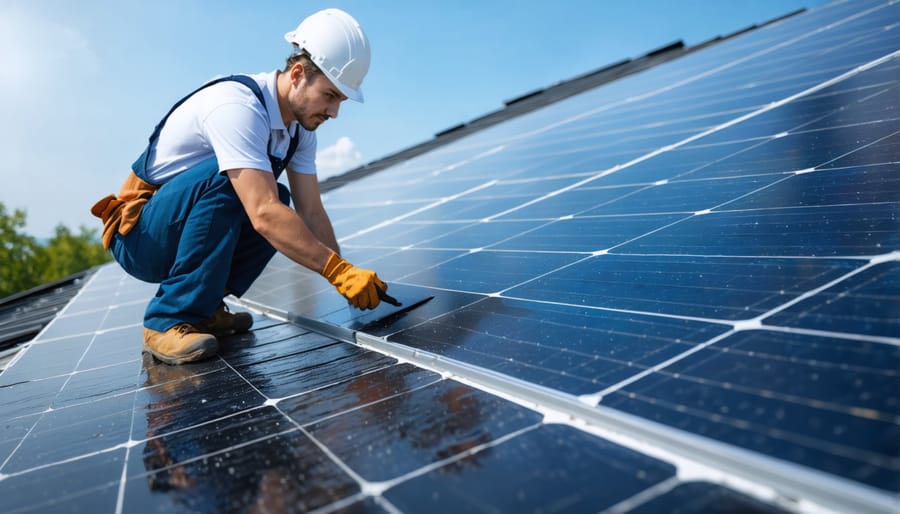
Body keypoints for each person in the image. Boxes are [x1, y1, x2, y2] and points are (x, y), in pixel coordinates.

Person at [91, 8, 388, 366]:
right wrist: (336, 272)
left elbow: (311, 212)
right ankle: (167, 319)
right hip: (140, 237)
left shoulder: (298, 131)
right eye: (329, 95)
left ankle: (205, 307)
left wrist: (347, 273)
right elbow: (261, 214)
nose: (334, 112)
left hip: (178, 227)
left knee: (281, 197)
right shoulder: (238, 108)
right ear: (297, 75)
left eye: (340, 100)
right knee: (248, 193)